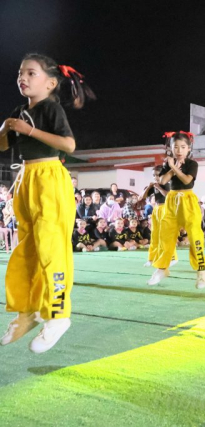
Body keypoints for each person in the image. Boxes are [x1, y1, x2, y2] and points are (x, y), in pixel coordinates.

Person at [0, 53, 94, 353]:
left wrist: (28, 130)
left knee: (51, 248)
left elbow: (69, 144)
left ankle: (58, 314)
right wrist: (5, 128)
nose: (23, 78)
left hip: (50, 176)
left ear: (51, 83)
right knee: (26, 250)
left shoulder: (51, 108)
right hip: (26, 178)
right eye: (20, 73)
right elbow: (3, 145)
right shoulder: (19, 111)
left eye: (31, 73)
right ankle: (27, 311)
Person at [147, 131, 205, 289]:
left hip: (188, 201)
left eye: (183, 147)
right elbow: (162, 180)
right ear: (171, 148)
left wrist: (174, 167)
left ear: (188, 148)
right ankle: (162, 269)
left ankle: (201, 271)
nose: (179, 150)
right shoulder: (168, 164)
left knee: (195, 236)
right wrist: (172, 168)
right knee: (165, 235)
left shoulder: (192, 164)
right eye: (176, 147)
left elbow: (187, 180)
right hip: (171, 201)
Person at [142, 166, 177, 268]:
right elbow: (143, 197)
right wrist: (149, 187)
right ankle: (151, 258)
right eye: (154, 175)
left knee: (165, 235)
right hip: (156, 209)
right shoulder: (154, 185)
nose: (155, 177)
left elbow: (168, 196)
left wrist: (159, 188)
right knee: (154, 236)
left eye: (157, 175)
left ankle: (173, 258)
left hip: (166, 209)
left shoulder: (167, 184)